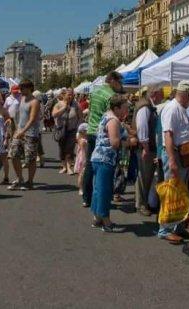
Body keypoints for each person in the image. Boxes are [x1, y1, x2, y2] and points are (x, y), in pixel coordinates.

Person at [159, 80, 189, 243]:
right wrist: (172, 161)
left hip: (181, 155)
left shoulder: (180, 108)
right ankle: (165, 229)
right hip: (174, 154)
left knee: (180, 193)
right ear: (187, 94)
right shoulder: (172, 108)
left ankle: (177, 227)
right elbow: (168, 135)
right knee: (173, 192)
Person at [90, 95, 135, 232]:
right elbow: (115, 143)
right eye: (124, 108)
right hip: (105, 159)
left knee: (98, 189)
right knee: (104, 190)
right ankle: (105, 220)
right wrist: (129, 143)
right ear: (117, 108)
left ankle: (97, 217)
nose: (126, 111)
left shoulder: (108, 116)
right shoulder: (113, 120)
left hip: (99, 158)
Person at [82, 71, 124, 207]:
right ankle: (103, 199)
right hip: (103, 134)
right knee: (105, 167)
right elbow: (111, 115)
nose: (120, 85)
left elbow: (90, 110)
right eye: (119, 82)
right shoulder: (111, 96)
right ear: (112, 80)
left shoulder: (95, 92)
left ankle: (86, 197)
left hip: (91, 130)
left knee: (90, 165)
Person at [7, 80, 41, 191]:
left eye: (22, 89)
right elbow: (20, 116)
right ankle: (19, 178)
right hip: (19, 132)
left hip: (31, 134)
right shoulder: (22, 99)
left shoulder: (34, 102)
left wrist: (23, 131)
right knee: (13, 154)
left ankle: (30, 181)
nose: (20, 91)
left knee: (30, 159)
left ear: (29, 88)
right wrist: (17, 130)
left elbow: (32, 119)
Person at [134, 87, 162, 216]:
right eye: (161, 95)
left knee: (146, 177)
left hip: (146, 147)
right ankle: (141, 204)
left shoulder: (146, 105)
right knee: (144, 177)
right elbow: (142, 127)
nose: (162, 98)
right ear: (154, 94)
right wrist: (145, 148)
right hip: (146, 148)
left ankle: (143, 203)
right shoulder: (145, 107)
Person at [52, 88, 80, 175]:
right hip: (61, 129)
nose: (71, 96)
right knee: (62, 148)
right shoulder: (58, 104)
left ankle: (69, 167)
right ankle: (64, 166)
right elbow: (54, 114)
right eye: (69, 95)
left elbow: (80, 116)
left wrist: (79, 128)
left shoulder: (76, 104)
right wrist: (63, 108)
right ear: (64, 95)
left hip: (72, 129)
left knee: (70, 148)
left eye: (72, 95)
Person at [75, 123, 89, 196]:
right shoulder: (82, 140)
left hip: (86, 157)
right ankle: (80, 188)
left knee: (85, 174)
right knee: (81, 174)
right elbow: (83, 148)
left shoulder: (85, 139)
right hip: (83, 158)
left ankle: (84, 187)